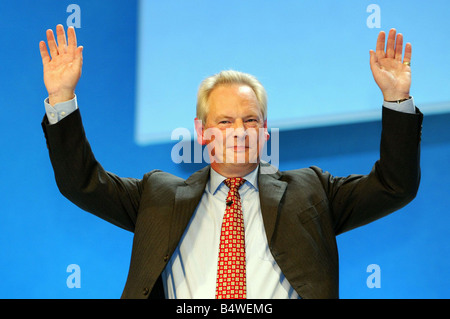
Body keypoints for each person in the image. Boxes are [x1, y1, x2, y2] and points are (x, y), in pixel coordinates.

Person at [39, 25, 423, 299]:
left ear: (265, 131)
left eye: (250, 120)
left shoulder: (312, 191)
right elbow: (81, 183)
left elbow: (395, 185)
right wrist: (61, 99)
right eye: (224, 121)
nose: (239, 131)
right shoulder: (157, 195)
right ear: (202, 131)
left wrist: (396, 101)